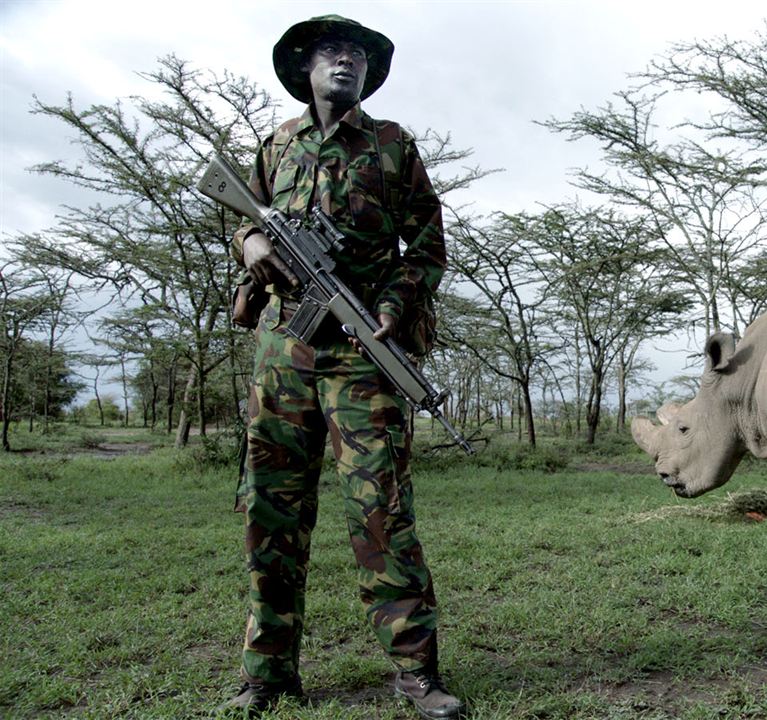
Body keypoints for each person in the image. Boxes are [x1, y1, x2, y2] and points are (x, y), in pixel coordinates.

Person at [218, 15, 462, 719]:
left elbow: (426, 244)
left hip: (361, 355)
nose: (345, 62)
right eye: (331, 52)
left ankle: (416, 674)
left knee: (381, 510)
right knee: (271, 511)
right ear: (305, 67)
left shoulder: (393, 147)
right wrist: (250, 245)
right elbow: (241, 217)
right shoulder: (275, 146)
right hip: (282, 357)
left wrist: (394, 300)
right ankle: (266, 674)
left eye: (356, 54)